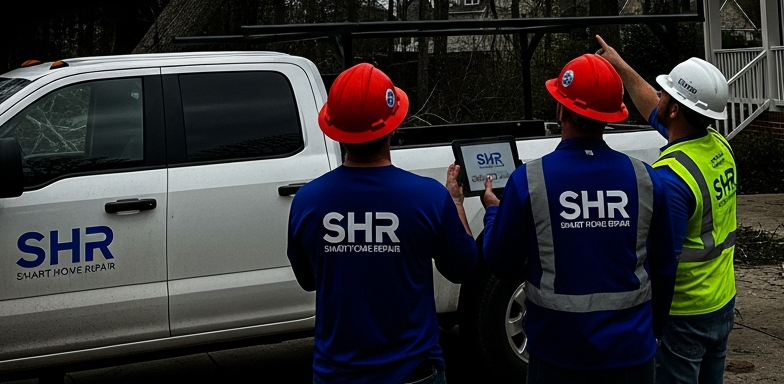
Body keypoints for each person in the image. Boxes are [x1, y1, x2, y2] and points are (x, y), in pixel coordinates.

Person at [481, 53, 678, 384]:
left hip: (556, 357)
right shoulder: (646, 179)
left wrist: (493, 211)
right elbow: (665, 268)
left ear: (560, 110)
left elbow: (500, 262)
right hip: (632, 355)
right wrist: (653, 331)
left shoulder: (529, 180)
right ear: (612, 116)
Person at [287, 62, 478, 384]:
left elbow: (308, 279)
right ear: (392, 126)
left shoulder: (308, 200)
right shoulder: (428, 197)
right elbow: (464, 267)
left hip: (337, 374)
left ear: (334, 128)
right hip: (414, 374)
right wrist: (457, 203)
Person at [596, 38, 736, 384]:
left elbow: (664, 263)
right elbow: (653, 110)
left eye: (665, 95)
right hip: (720, 301)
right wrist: (621, 66)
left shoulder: (671, 179)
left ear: (674, 110)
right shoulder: (718, 145)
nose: (657, 97)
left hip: (685, 312)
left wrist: (654, 324)